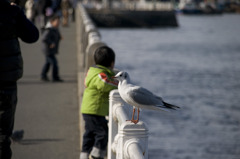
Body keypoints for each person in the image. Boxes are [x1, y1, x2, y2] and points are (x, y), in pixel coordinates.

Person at [0, 0, 39, 159]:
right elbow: (32, 36)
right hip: (6, 81)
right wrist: (18, 12)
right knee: (2, 136)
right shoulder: (11, 13)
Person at [80, 46, 118, 159]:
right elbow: (104, 84)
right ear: (112, 63)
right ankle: (97, 155)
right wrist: (120, 85)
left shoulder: (92, 71)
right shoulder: (100, 75)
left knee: (90, 134)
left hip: (89, 109)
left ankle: (84, 155)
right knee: (102, 133)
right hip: (95, 110)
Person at [41, 15, 63, 82]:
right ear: (52, 22)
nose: (58, 23)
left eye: (59, 22)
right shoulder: (49, 29)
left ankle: (43, 75)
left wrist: (59, 37)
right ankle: (55, 77)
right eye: (57, 22)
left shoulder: (55, 28)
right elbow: (44, 38)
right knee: (54, 63)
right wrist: (50, 43)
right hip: (48, 50)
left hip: (51, 50)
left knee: (48, 63)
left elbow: (57, 35)